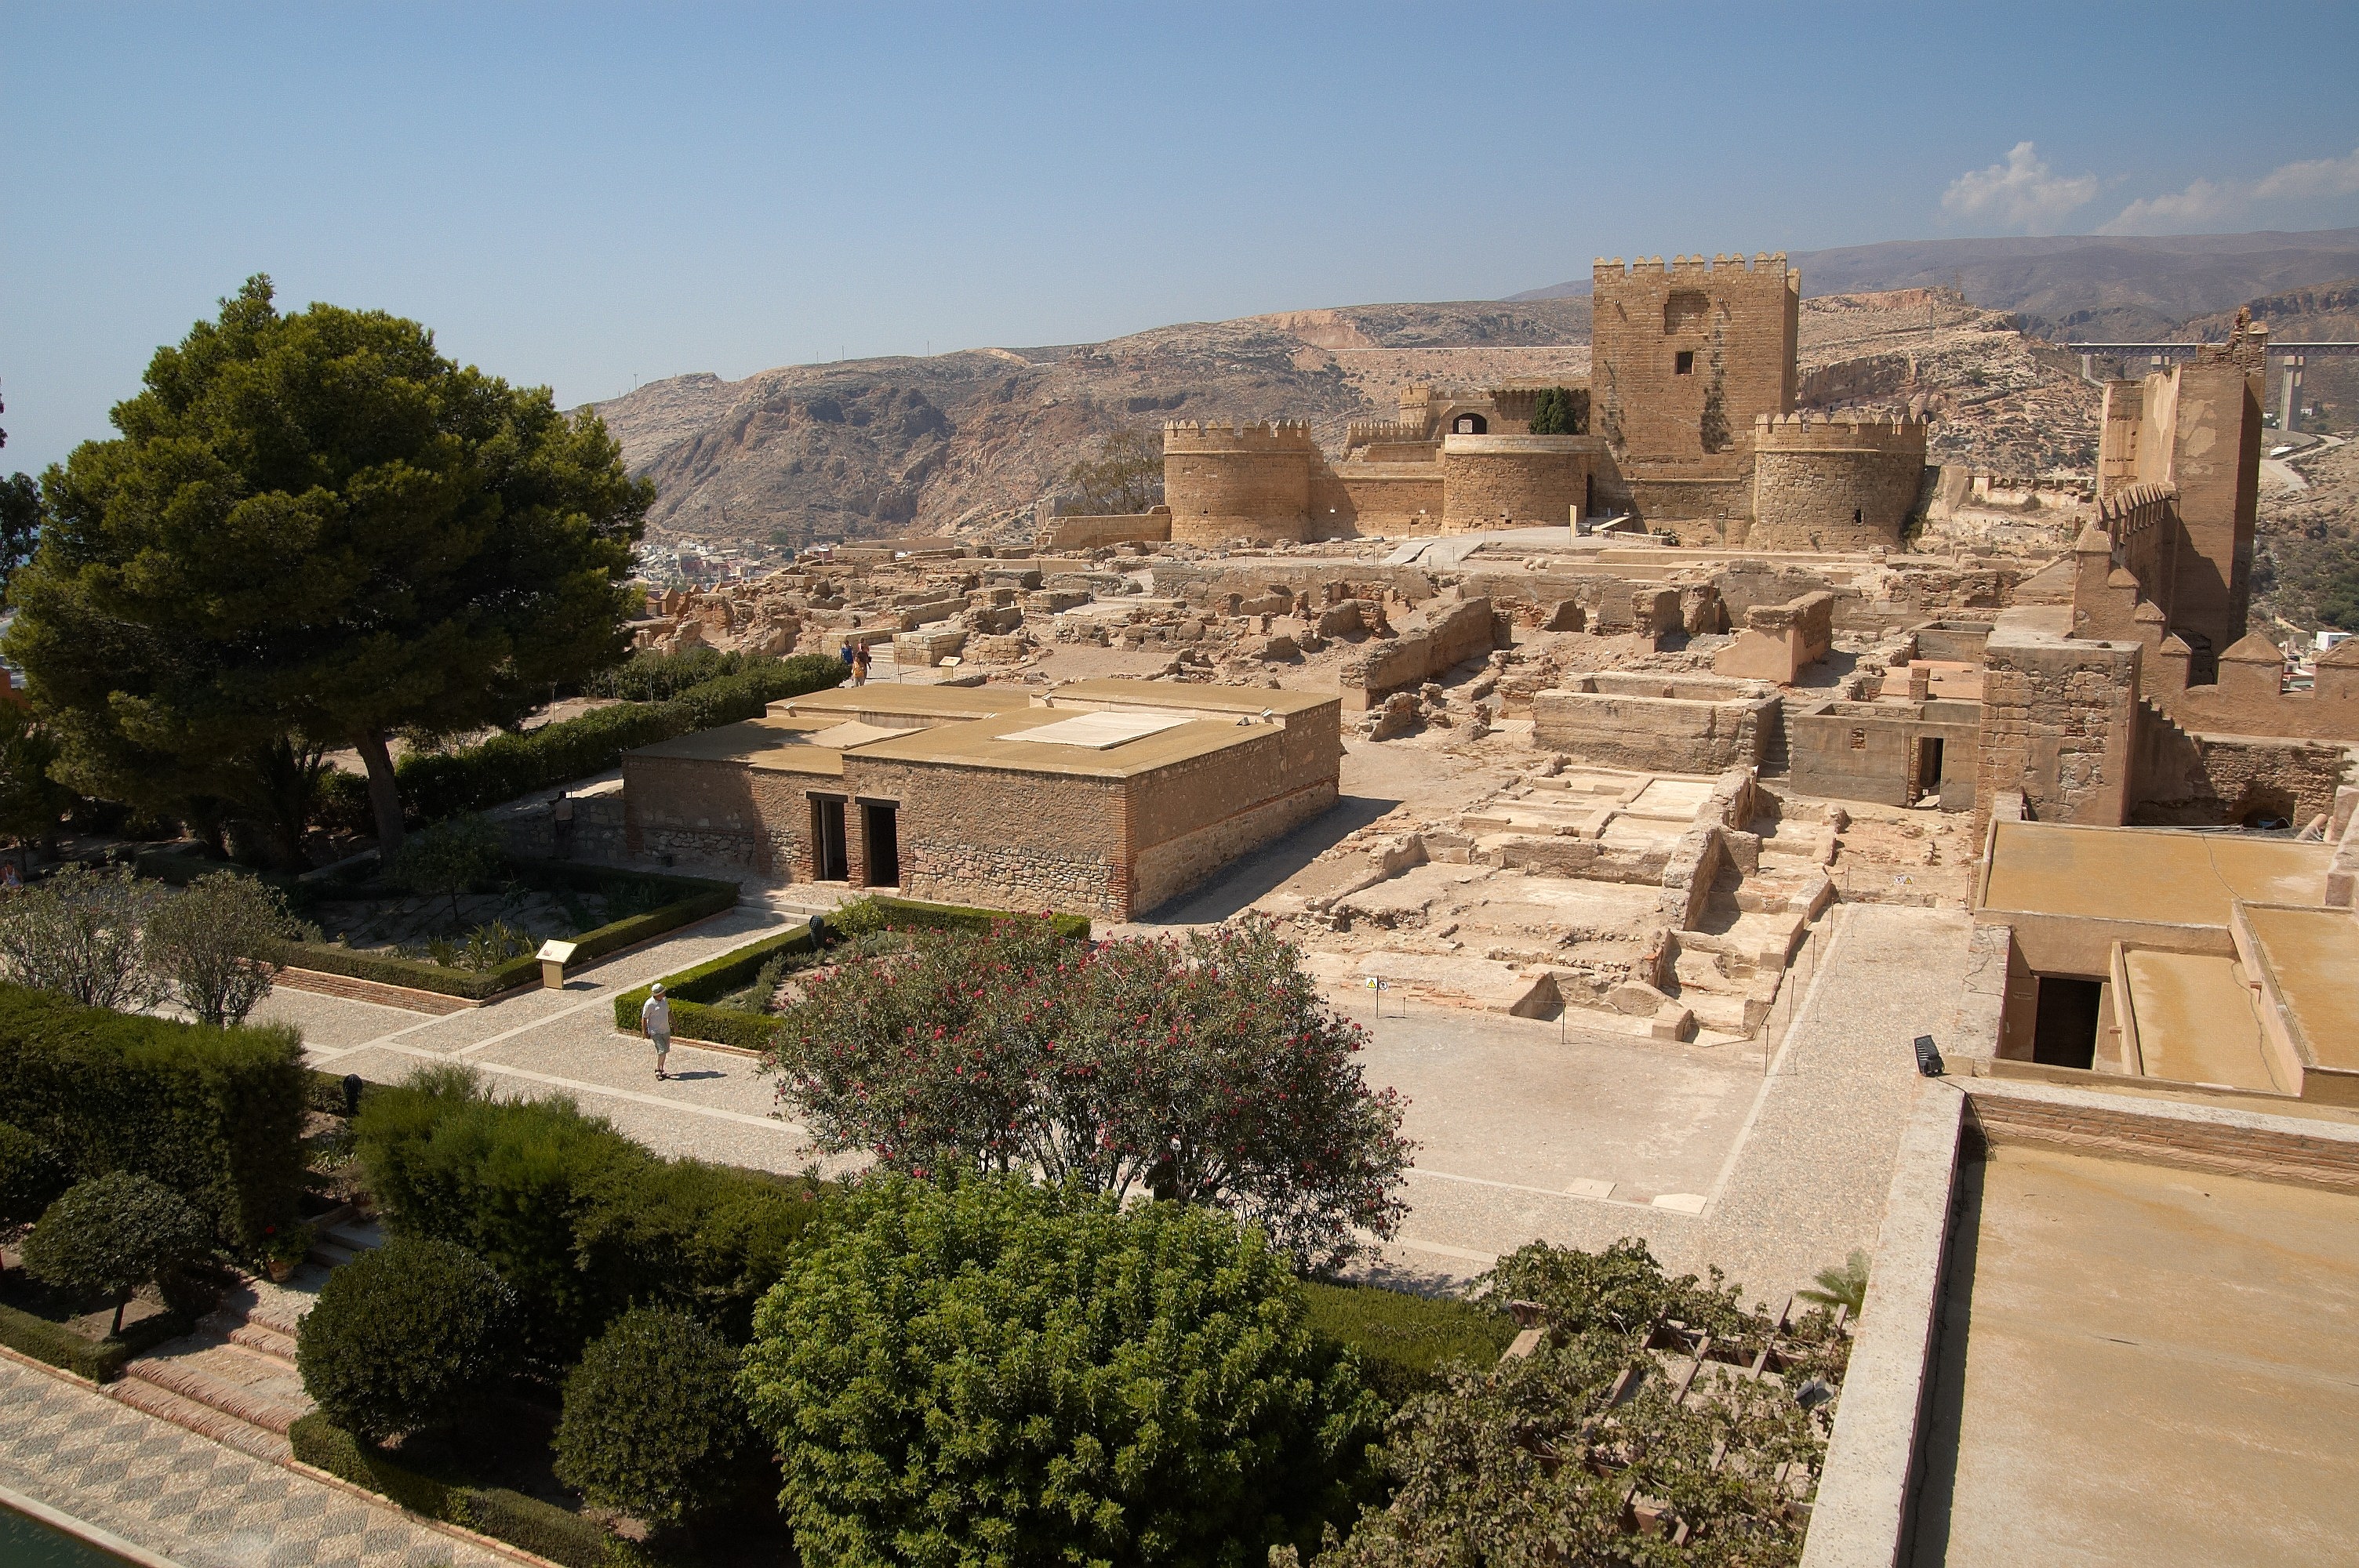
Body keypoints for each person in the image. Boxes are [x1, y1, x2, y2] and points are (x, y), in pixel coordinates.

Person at [641, 982, 671, 1080]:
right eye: (663, 992)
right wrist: (645, 1031)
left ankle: (662, 1070)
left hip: (666, 1030)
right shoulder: (649, 1004)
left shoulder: (664, 1000)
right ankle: (658, 1069)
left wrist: (674, 1024)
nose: (664, 993)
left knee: (665, 1051)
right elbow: (644, 1018)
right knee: (662, 1051)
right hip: (656, 1032)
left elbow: (669, 1012)